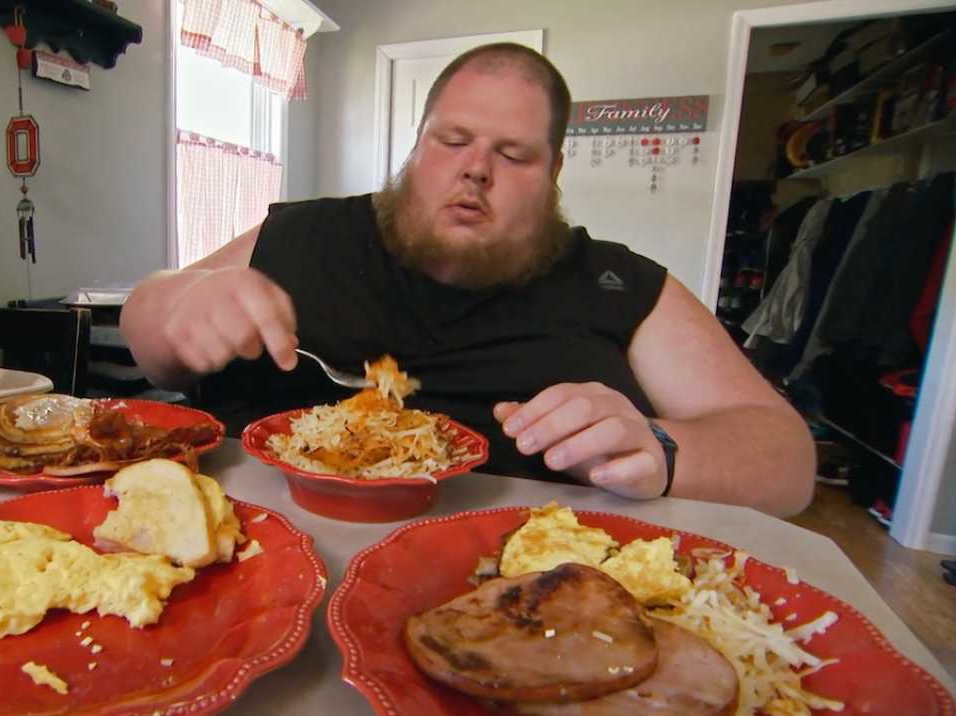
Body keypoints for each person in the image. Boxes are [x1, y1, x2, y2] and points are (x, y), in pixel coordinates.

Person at [121, 43, 814, 517]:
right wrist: (179, 302)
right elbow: (149, 339)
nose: (475, 168)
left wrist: (659, 449)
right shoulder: (301, 233)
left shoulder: (618, 282)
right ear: (417, 147)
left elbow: (787, 460)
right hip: (245, 544)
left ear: (554, 174)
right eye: (451, 141)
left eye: (513, 154)